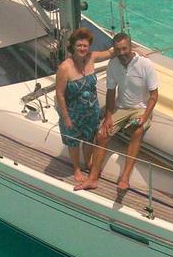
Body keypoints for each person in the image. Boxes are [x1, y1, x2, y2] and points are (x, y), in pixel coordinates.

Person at [78, 32, 159, 192]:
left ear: (130, 47)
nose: (121, 53)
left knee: (137, 131)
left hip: (140, 108)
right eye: (118, 50)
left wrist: (144, 116)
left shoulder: (145, 65)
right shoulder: (113, 65)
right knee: (101, 134)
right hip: (121, 107)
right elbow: (110, 92)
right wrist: (108, 116)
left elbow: (154, 95)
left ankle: (125, 178)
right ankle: (93, 178)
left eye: (124, 49)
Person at [55, 28, 115, 184]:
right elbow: (60, 95)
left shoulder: (92, 57)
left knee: (89, 139)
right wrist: (66, 117)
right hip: (73, 113)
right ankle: (76, 168)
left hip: (91, 111)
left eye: (85, 46)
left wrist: (133, 48)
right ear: (73, 46)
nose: (82, 49)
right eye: (79, 45)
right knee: (74, 142)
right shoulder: (65, 68)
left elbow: (110, 52)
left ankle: (87, 162)